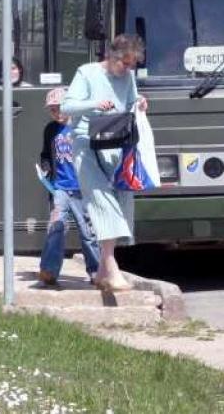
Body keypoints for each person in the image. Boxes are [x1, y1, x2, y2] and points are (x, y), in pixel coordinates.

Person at [60, 34, 148, 292]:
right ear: (111, 56)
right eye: (125, 64)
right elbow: (68, 106)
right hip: (87, 146)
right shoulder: (87, 73)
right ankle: (111, 268)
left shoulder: (128, 77)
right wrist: (94, 104)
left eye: (132, 65)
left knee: (119, 203)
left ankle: (101, 273)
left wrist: (140, 102)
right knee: (101, 201)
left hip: (117, 146)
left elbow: (130, 101)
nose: (128, 70)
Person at [37, 87, 100, 286]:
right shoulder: (50, 129)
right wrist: (46, 168)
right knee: (56, 228)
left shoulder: (81, 127)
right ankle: (49, 269)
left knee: (88, 232)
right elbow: (46, 153)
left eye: (60, 108)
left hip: (81, 188)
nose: (57, 113)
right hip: (60, 188)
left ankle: (96, 270)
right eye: (52, 110)